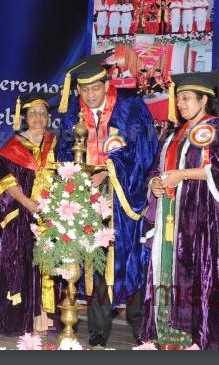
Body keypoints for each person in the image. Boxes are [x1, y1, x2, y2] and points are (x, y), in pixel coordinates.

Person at [57, 54, 158, 347]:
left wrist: (109, 170)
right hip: (88, 197)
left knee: (132, 260)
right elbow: (63, 152)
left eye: (95, 88)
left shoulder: (130, 108)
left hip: (124, 197)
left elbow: (146, 149)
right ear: (77, 90)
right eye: (84, 90)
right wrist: (78, 175)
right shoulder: (72, 115)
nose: (90, 95)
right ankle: (98, 331)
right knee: (95, 261)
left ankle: (141, 327)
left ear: (106, 85)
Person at [139, 72, 219, 349]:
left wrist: (182, 174)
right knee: (167, 267)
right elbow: (156, 169)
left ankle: (199, 337)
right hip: (169, 213)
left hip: (201, 217)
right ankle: (167, 335)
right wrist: (155, 183)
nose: (180, 104)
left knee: (197, 271)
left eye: (186, 98)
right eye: (179, 99)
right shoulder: (173, 133)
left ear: (203, 99)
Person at [0, 93, 65, 336]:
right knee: (20, 265)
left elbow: (68, 176)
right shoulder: (12, 147)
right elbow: (6, 182)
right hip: (21, 216)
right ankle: (18, 320)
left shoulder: (57, 144)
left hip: (52, 216)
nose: (37, 117)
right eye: (32, 113)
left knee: (49, 266)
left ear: (48, 117)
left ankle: (45, 319)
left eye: (42, 113)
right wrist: (28, 203)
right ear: (24, 117)